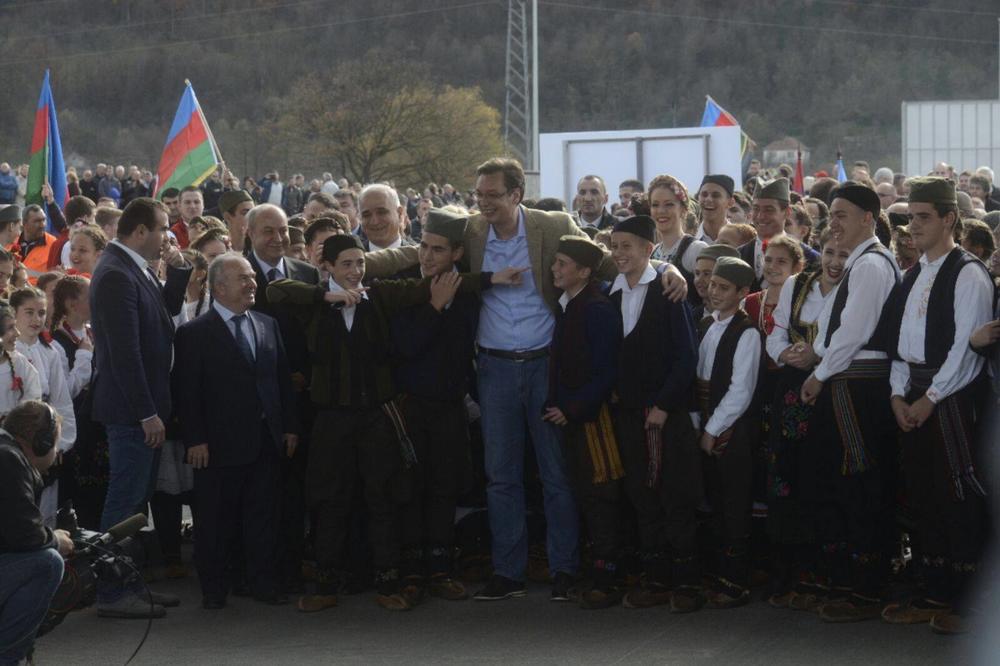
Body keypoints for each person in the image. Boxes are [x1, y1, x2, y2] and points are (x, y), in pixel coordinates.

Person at [362, 159, 689, 603]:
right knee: (501, 476)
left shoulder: (552, 225)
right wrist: (351, 263)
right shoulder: (472, 231)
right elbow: (414, 252)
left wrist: (668, 270)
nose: (483, 202)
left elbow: (604, 257)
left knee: (555, 472)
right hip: (493, 367)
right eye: (479, 194)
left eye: (493, 194)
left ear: (516, 194)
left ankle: (564, 569)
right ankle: (508, 571)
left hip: (545, 364)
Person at [268, 234, 521, 612]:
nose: (356, 272)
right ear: (328, 267)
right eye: (347, 264)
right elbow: (274, 290)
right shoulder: (314, 304)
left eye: (360, 263)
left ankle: (390, 580)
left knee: (382, 498)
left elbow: (432, 286)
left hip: (376, 417)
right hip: (331, 419)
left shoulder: (380, 295)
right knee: (330, 501)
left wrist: (492, 279)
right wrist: (326, 296)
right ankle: (325, 583)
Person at [882, 177, 994, 633]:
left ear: (950, 219)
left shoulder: (967, 272)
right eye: (911, 217)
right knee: (924, 496)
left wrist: (929, 399)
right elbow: (901, 347)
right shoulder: (914, 275)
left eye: (924, 217)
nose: (914, 226)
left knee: (958, 497)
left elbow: (965, 351)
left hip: (950, 399)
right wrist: (896, 395)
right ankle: (934, 592)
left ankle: (969, 604)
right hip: (913, 394)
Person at [798, 181, 901, 622]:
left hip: (856, 385)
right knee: (845, 485)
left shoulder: (871, 266)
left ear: (868, 219)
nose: (833, 223)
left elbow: (854, 333)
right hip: (848, 380)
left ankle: (866, 589)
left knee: (860, 484)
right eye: (832, 214)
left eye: (843, 215)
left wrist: (819, 373)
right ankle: (852, 581)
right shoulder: (859, 264)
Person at [173, 253, 298, 610]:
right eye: (242, 278)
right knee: (214, 521)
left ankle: (263, 583)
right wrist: (195, 438)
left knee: (262, 518)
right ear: (219, 287)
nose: (251, 283)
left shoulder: (266, 324)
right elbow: (187, 391)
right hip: (216, 446)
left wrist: (289, 427)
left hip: (265, 441)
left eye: (251, 277)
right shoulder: (194, 333)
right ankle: (214, 589)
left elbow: (281, 381)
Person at [391, 209, 487, 604]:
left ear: (457, 253)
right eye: (423, 247)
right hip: (410, 407)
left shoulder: (468, 297)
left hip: (449, 407)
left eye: (438, 250)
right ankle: (411, 571)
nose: (427, 257)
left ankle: (441, 568)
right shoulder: (402, 288)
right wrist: (433, 307)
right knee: (410, 490)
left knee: (444, 489)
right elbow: (404, 348)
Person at [607, 215, 701, 612]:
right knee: (641, 495)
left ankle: (687, 584)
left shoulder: (667, 291)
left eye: (628, 246)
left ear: (649, 249)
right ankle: (657, 579)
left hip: (665, 413)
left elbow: (686, 356)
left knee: (674, 495)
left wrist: (664, 404)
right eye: (614, 246)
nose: (619, 254)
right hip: (627, 413)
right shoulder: (608, 294)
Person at [763, 229, 848, 609]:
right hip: (791, 387)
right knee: (787, 475)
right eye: (830, 252)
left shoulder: (857, 289)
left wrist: (816, 358)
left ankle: (824, 575)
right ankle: (788, 573)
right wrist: (786, 355)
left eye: (843, 255)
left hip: (828, 388)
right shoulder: (799, 283)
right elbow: (776, 331)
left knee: (822, 478)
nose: (834, 261)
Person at [543, 235, 623, 609]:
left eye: (562, 263)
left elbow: (607, 371)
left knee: (601, 492)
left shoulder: (596, 308)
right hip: (572, 415)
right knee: (584, 493)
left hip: (594, 419)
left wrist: (572, 408)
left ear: (585, 271)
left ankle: (608, 577)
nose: (555, 269)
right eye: (555, 262)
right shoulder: (568, 305)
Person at [695, 256, 761, 609]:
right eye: (712, 285)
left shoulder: (746, 331)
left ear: (743, 292)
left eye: (723, 288)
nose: (714, 291)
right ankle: (716, 572)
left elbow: (741, 391)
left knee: (734, 502)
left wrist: (711, 429)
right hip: (705, 419)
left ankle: (736, 580)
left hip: (730, 428)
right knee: (715, 501)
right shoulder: (706, 325)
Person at [0, 401, 73, 666]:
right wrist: (56, 540)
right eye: (54, 443)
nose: (56, 450)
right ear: (40, 441)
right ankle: (9, 657)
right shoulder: (8, 458)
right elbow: (24, 535)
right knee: (48, 562)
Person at [11, 288, 77, 526]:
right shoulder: (9, 352)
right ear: (14, 314)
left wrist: (60, 443)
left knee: (45, 510)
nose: (36, 319)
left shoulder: (51, 352)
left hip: (43, 440)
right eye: (29, 313)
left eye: (41, 313)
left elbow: (61, 399)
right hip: (14, 439)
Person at [49, 277, 106, 530]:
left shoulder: (94, 330)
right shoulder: (56, 342)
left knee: (102, 490)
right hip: (78, 430)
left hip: (98, 424)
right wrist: (84, 357)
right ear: (72, 304)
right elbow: (66, 390)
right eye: (89, 295)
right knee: (82, 496)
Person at [739, 178, 819, 292]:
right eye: (756, 209)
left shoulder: (810, 258)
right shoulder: (738, 255)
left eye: (769, 210)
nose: (760, 216)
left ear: (787, 212)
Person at [648, 175, 708, 306]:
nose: (661, 211)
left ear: (683, 209)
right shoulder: (653, 252)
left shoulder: (696, 249)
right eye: (655, 205)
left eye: (669, 204)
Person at [692, 244, 741, 321]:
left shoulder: (740, 322)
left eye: (707, 274)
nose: (699, 280)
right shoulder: (693, 316)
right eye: (697, 273)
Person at [696, 175, 736, 243]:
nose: (708, 199)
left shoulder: (739, 239)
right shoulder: (688, 241)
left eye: (716, 195)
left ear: (730, 202)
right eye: (704, 195)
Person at [218, 190, 254, 254]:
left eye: (253, 213)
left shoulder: (257, 248)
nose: (251, 218)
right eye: (245, 213)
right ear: (227, 217)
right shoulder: (218, 249)